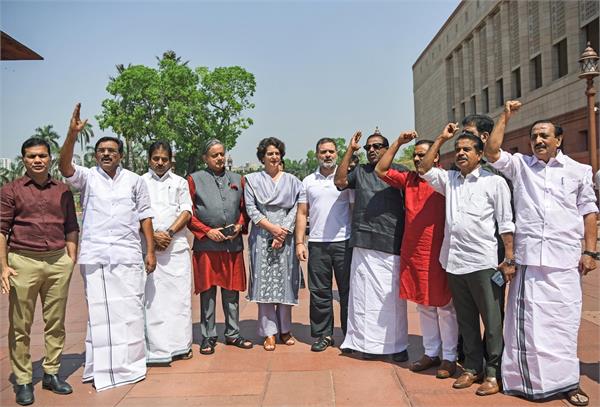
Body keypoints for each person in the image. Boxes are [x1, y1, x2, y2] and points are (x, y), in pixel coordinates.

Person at [485, 101, 598, 406]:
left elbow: (589, 211)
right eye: (534, 136)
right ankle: (525, 381)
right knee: (529, 325)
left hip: (564, 262)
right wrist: (506, 116)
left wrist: (591, 251)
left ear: (558, 140)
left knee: (563, 324)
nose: (538, 141)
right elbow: (492, 152)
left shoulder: (579, 171)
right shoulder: (520, 165)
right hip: (530, 262)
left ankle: (568, 383)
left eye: (545, 135)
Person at [59, 103, 156, 391]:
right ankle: (102, 369)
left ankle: (130, 367)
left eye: (111, 150)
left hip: (128, 255)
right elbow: (64, 166)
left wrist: (149, 250)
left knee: (129, 312)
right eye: (101, 150)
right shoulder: (87, 177)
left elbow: (145, 216)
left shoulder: (135, 181)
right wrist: (72, 134)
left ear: (121, 155)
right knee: (101, 314)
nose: (106, 154)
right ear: (95, 155)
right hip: (97, 255)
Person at [418, 123, 514, 396]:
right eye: (457, 150)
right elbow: (423, 168)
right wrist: (441, 139)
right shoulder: (449, 180)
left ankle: (494, 373)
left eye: (466, 149)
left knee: (493, 321)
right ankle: (473, 368)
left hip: (484, 264)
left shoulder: (493, 182)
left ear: (480, 153)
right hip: (454, 261)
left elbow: (506, 223)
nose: (460, 153)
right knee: (467, 320)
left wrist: (509, 258)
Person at [1, 138, 79, 406]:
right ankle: (23, 379)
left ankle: (51, 373)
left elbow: (71, 224)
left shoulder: (63, 190)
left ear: (50, 158)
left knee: (55, 322)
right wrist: (3, 266)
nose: (38, 160)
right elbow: (2, 229)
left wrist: (71, 258)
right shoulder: (11, 190)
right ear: (23, 159)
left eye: (43, 156)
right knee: (20, 324)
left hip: (58, 261)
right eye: (32, 156)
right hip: (23, 261)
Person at [375, 133, 458, 379]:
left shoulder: (446, 180)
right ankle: (431, 352)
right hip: (414, 250)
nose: (419, 159)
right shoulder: (410, 179)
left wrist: (441, 139)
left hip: (439, 250)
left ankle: (450, 357)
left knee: (444, 306)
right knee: (424, 305)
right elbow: (381, 169)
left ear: (436, 157)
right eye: (416, 155)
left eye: (424, 155)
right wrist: (399, 143)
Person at [334, 129, 409, 361]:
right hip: (364, 241)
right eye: (368, 148)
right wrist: (350, 150)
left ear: (387, 149)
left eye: (377, 146)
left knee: (392, 300)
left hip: (391, 240)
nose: (372, 151)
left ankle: (397, 346)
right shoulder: (361, 171)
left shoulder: (401, 172)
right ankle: (366, 345)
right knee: (364, 298)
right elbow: (339, 181)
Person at [187, 139, 253, 355]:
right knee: (207, 293)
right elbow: (188, 213)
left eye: (222, 154)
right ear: (205, 158)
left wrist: (240, 225)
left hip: (231, 245)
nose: (219, 158)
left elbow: (245, 209)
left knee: (231, 291)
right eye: (214, 155)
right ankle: (208, 336)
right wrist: (207, 231)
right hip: (206, 245)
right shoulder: (195, 179)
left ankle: (233, 333)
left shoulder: (238, 179)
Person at [244, 137, 304, 351]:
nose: (274, 156)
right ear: (262, 157)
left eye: (277, 153)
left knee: (285, 283)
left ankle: (285, 328)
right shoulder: (251, 180)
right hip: (261, 236)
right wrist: (272, 229)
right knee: (265, 285)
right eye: (270, 153)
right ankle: (269, 332)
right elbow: (251, 209)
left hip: (285, 239)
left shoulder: (293, 181)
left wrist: (283, 231)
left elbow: (298, 208)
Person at [295, 138, 353, 352]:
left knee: (347, 292)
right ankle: (324, 334)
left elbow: (354, 210)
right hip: (318, 243)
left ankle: (350, 336)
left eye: (331, 151)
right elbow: (302, 213)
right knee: (320, 292)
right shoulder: (308, 181)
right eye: (323, 152)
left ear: (337, 154)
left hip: (344, 242)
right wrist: (300, 242)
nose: (327, 155)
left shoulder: (346, 179)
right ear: (316, 154)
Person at [141, 141, 193, 363]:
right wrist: (153, 236)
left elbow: (186, 211)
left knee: (179, 299)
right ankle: (155, 350)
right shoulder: (139, 182)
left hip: (175, 249)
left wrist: (169, 233)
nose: (160, 163)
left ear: (171, 160)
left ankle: (181, 346)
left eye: (164, 159)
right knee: (152, 299)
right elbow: (136, 213)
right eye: (156, 158)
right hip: (149, 248)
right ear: (149, 159)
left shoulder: (180, 182)